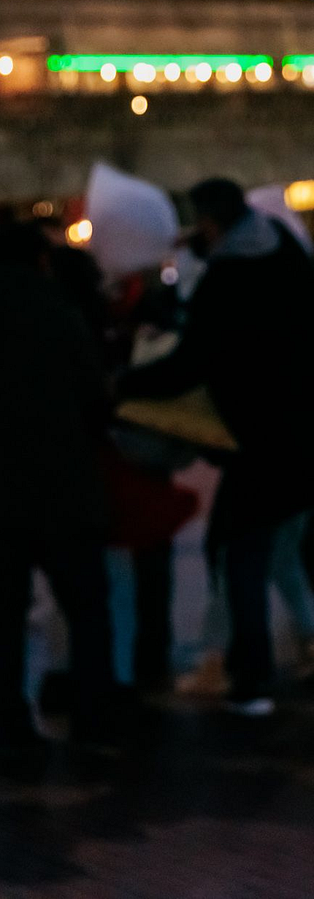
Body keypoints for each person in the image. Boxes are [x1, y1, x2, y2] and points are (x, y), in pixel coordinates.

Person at [119, 180, 314, 713]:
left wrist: (122, 385)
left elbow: (189, 362)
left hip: (274, 439)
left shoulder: (226, 278)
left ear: (208, 222)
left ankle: (252, 681)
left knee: (239, 550)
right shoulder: (286, 253)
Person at [0, 222, 118, 765]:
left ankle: (13, 725)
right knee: (87, 609)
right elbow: (95, 399)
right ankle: (94, 718)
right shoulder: (60, 314)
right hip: (63, 485)